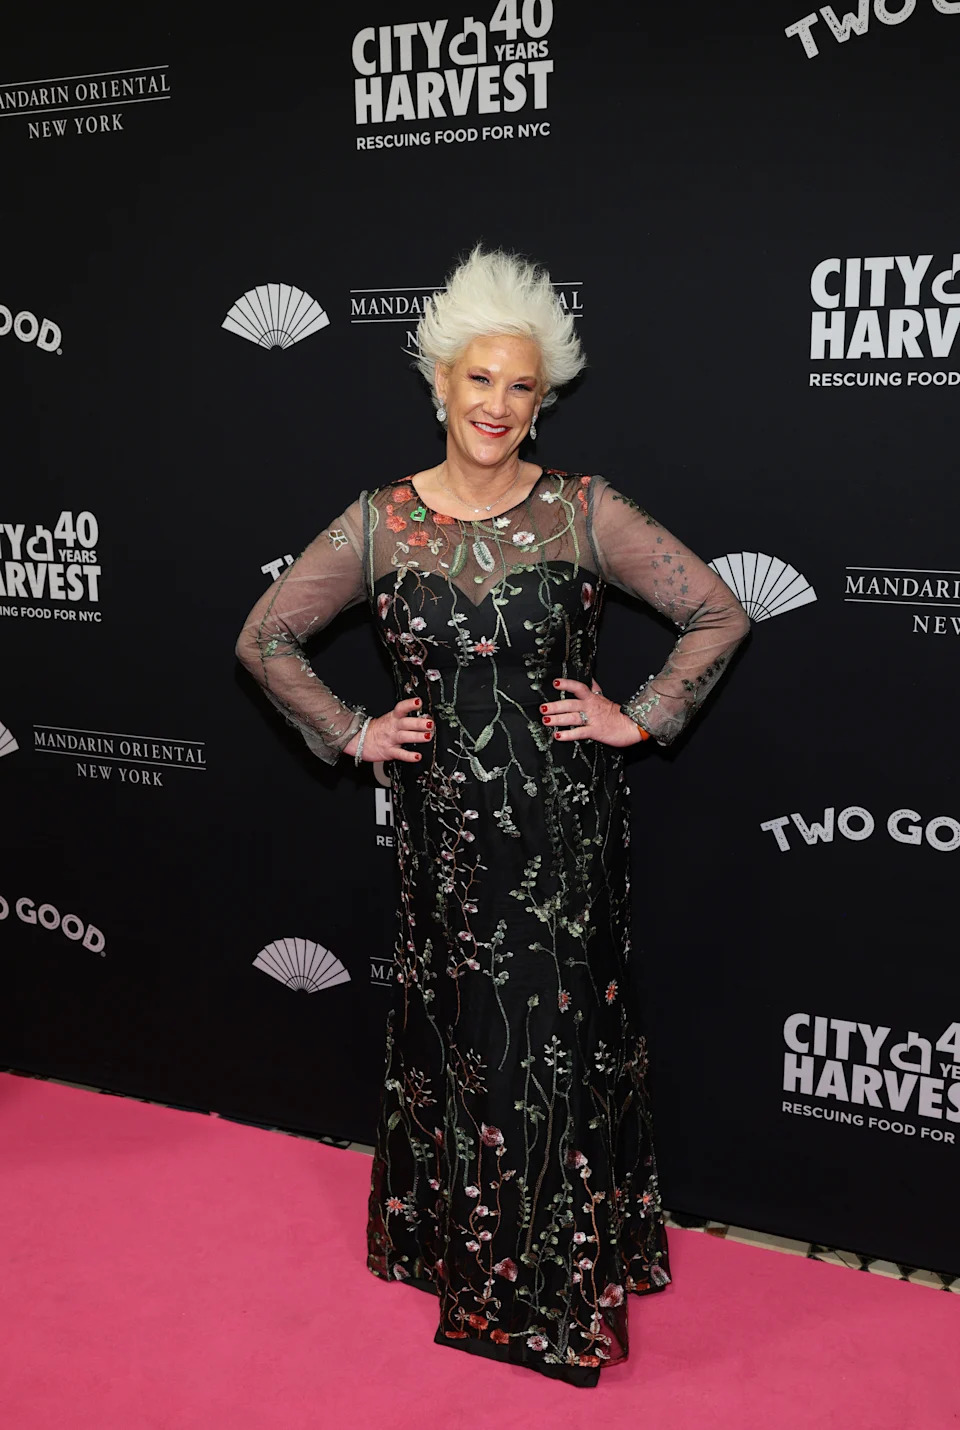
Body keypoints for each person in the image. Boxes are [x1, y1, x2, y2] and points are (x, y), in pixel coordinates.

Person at [235, 246, 750, 1388]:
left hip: (564, 840)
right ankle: (445, 1241)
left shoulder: (583, 510)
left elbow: (716, 611)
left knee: (555, 1051)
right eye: (480, 379)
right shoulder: (380, 521)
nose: (498, 405)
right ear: (440, 383)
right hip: (444, 844)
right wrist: (356, 729)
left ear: (542, 396)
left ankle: (549, 1296)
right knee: (461, 1043)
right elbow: (264, 638)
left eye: (522, 386)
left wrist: (644, 713)